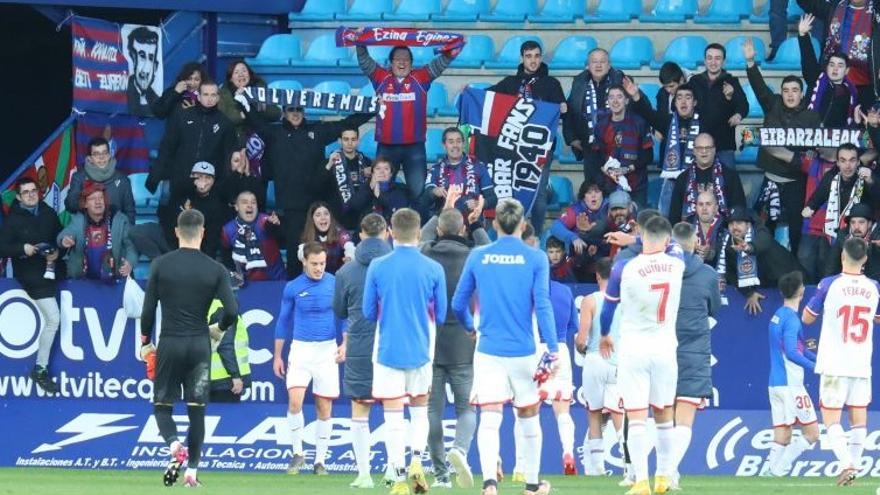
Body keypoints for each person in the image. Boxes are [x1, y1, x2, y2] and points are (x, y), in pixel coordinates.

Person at [452, 197, 557, 495]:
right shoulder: (536, 258)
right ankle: (533, 485)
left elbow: (458, 303)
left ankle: (489, 485)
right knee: (528, 414)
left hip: (488, 350)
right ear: (523, 225)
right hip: (524, 350)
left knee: (490, 416)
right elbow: (543, 304)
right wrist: (552, 347)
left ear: (494, 223)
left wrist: (471, 328)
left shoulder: (478, 256)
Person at [139, 208, 239, 487]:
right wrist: (217, 330)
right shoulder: (215, 268)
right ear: (203, 232)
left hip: (170, 342)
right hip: (199, 345)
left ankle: (173, 446)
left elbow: (148, 310)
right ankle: (192, 472)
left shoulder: (161, 264)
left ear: (176, 232)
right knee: (197, 411)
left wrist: (145, 341)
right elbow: (231, 310)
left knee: (162, 407)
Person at [363, 208, 447, 495]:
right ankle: (416, 462)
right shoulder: (433, 268)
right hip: (422, 348)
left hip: (388, 348)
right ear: (419, 229)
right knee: (420, 410)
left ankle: (398, 477)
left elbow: (367, 311)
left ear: (391, 230)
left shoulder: (378, 266)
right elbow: (443, 313)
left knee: (394, 415)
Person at [599, 215, 684, 495]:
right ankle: (663, 477)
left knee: (636, 416)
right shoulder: (677, 263)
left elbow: (607, 311)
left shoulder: (624, 268)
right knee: (664, 414)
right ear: (667, 240)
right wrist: (637, 239)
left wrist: (604, 334)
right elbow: (672, 245)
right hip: (665, 348)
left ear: (643, 237)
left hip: (634, 348)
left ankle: (641, 482)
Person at [242, 101, 373, 278]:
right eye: (291, 109)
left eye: (298, 109)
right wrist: (243, 102)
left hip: (317, 203)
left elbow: (347, 124)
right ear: (284, 112)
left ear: (304, 111)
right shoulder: (275, 133)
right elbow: (255, 122)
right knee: (294, 252)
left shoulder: (317, 130)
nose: (295, 113)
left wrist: (374, 108)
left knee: (321, 250)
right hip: (291, 206)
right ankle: (294, 291)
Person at [419, 188, 490, 489]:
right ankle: (459, 449)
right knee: (466, 408)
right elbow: (491, 251)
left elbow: (418, 236)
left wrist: (443, 209)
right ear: (462, 229)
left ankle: (441, 476)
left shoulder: (426, 253)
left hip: (432, 343)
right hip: (465, 339)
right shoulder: (475, 255)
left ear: (438, 229)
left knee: (432, 411)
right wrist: (476, 225)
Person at [802, 237, 880, 486]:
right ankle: (854, 467)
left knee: (832, 418)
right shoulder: (874, 287)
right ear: (865, 259)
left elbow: (807, 318)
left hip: (834, 362)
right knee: (859, 418)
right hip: (860, 363)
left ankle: (846, 464)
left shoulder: (829, 284)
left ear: (842, 257)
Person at [744, 37, 822, 255]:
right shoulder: (773, 104)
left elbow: (814, 152)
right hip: (771, 179)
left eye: (794, 90)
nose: (790, 94)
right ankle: (763, 268)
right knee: (763, 226)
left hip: (797, 182)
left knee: (797, 229)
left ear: (802, 94)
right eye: (786, 90)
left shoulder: (812, 116)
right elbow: (759, 88)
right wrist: (751, 63)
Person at [274, 241, 345, 475]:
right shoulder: (293, 287)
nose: (319, 268)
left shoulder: (335, 284)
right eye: (314, 264)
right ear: (304, 261)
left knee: (324, 407)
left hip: (327, 350)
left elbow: (344, 317)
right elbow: (283, 321)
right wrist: (277, 356)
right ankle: (297, 454)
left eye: (322, 263)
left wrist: (345, 343)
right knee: (295, 401)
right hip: (301, 350)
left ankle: (320, 461)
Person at [334, 213, 392, 489]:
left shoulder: (346, 271)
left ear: (360, 235)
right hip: (393, 344)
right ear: (386, 232)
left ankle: (364, 474)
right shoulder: (396, 266)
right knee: (395, 407)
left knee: (359, 409)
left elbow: (339, 310)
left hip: (359, 343)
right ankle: (394, 470)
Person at [357, 41, 459, 200]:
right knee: (382, 191)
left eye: (406, 59)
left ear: (412, 64)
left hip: (414, 148)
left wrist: (455, 45)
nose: (402, 62)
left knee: (418, 192)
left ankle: (417, 224)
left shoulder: (421, 78)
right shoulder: (380, 77)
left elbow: (442, 62)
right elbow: (364, 61)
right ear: (391, 63)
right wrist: (360, 42)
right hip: (386, 147)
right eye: (398, 59)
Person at [489, 40, 566, 235]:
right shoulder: (510, 83)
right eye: (529, 56)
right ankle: (513, 233)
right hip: (513, 147)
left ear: (541, 57)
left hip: (541, 148)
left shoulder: (551, 83)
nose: (533, 60)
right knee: (513, 193)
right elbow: (487, 100)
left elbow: (563, 109)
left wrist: (563, 109)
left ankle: (536, 235)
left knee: (539, 194)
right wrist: (469, 93)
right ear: (522, 58)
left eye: (537, 56)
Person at [666, 223, 722, 490]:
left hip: (661, 347)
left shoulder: (660, 270)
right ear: (695, 242)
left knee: (662, 415)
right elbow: (714, 310)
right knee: (685, 418)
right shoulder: (708, 274)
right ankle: (669, 471)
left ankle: (650, 472)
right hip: (694, 350)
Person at [0, 178, 62, 393]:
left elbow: (59, 239)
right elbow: (2, 248)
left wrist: (58, 251)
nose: (30, 195)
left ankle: (40, 369)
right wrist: (21, 248)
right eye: (25, 192)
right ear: (18, 197)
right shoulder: (12, 219)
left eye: (33, 191)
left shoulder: (48, 213)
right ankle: (40, 369)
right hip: (30, 274)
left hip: (52, 269)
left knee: (54, 318)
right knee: (54, 319)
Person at [763, 271, 820, 477]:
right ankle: (777, 470)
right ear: (801, 291)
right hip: (791, 385)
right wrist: (815, 368)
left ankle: (768, 472)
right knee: (812, 433)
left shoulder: (777, 316)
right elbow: (793, 353)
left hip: (775, 383)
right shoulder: (793, 320)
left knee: (783, 433)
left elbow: (799, 349)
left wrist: (819, 360)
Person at [147, 79, 237, 203]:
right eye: (205, 94)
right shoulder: (182, 117)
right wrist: (156, 176)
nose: (209, 99)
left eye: (213, 95)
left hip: (210, 186)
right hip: (180, 181)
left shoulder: (226, 124)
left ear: (218, 98)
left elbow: (228, 158)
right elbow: (167, 147)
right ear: (198, 97)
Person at [575, 257, 624, 477]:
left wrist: (581, 348)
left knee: (594, 414)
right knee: (619, 414)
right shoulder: (626, 300)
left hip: (594, 359)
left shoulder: (590, 300)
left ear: (597, 276)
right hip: (618, 360)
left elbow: (582, 339)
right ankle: (630, 466)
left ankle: (595, 469)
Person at [801, 143, 878, 282]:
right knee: (827, 265)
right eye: (843, 161)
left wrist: (871, 181)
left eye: (852, 160)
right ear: (837, 163)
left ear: (858, 162)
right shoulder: (831, 177)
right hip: (835, 232)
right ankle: (825, 292)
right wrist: (811, 207)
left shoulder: (865, 177)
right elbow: (820, 193)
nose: (847, 165)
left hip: (862, 233)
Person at [624, 80, 701, 216]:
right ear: (675, 102)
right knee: (666, 221)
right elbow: (648, 114)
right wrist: (636, 96)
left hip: (696, 180)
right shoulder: (668, 121)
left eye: (688, 98)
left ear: (694, 102)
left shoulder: (704, 122)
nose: (683, 102)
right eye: (679, 98)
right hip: (672, 181)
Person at [718, 207, 803, 315]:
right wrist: (749, 293)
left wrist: (749, 247)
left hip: (791, 281)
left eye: (739, 223)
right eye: (731, 224)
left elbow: (764, 241)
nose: (734, 227)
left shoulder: (759, 232)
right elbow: (730, 273)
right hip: (767, 289)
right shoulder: (729, 246)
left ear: (748, 225)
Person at [796, 1, 880, 105]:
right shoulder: (835, 6)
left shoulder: (877, 10)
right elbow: (807, 3)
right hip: (831, 86)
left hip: (866, 87)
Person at [563, 47, 626, 181]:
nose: (598, 65)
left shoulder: (621, 81)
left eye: (602, 61)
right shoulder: (579, 83)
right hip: (590, 149)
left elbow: (636, 108)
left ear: (609, 66)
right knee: (593, 190)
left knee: (616, 190)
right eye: (594, 61)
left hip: (618, 148)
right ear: (588, 65)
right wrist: (572, 138)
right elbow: (570, 111)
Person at [588, 84, 653, 207]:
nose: (615, 101)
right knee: (611, 223)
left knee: (636, 223)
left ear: (627, 100)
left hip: (636, 185)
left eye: (619, 97)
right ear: (608, 101)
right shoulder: (601, 125)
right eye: (611, 97)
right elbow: (596, 156)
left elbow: (648, 156)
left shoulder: (639, 123)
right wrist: (605, 170)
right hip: (609, 184)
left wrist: (627, 169)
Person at [57, 183, 137, 281]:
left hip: (114, 281)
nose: (98, 202)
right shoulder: (78, 220)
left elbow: (131, 246)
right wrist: (64, 240)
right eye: (92, 199)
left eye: (100, 198)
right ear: (85, 204)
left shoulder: (119, 219)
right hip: (82, 281)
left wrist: (130, 262)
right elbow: (64, 234)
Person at [689, 43, 749, 167]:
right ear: (705, 61)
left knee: (728, 184)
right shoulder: (694, 81)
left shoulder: (732, 81)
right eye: (709, 58)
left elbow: (743, 105)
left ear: (723, 61)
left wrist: (738, 114)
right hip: (700, 144)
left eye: (717, 58)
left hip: (724, 145)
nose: (713, 62)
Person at [668, 133, 746, 224]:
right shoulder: (683, 178)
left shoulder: (730, 176)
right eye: (700, 148)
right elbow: (674, 214)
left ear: (714, 150)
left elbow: (739, 210)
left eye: (708, 148)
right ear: (694, 151)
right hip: (690, 232)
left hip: (722, 232)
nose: (704, 151)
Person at [799, 14, 861, 127]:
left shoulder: (851, 92)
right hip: (812, 137)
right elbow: (808, 60)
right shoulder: (816, 80)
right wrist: (803, 36)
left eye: (840, 65)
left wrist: (856, 123)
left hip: (838, 141)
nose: (835, 69)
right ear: (827, 67)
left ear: (847, 70)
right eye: (832, 64)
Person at [422, 127, 497, 217]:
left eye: (458, 141)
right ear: (444, 145)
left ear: (463, 143)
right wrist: (434, 192)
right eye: (451, 142)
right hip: (444, 225)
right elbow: (424, 199)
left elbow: (493, 199)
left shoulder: (478, 166)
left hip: (472, 224)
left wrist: (479, 204)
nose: (455, 145)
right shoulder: (435, 169)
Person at [66, 137, 136, 224]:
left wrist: (126, 234)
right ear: (89, 158)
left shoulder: (123, 180)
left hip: (116, 232)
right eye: (96, 154)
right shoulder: (79, 178)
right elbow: (69, 205)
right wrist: (88, 202)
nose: (101, 157)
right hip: (86, 231)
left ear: (110, 155)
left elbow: (130, 212)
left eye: (104, 153)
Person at [219, 190, 285, 282]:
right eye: (245, 202)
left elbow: (276, 232)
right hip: (245, 282)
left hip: (274, 279)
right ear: (236, 207)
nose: (250, 205)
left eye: (253, 202)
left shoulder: (265, 220)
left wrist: (275, 224)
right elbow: (226, 256)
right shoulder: (228, 230)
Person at [327, 126, 374, 231]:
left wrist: (373, 175)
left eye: (353, 139)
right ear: (339, 141)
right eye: (346, 139)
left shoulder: (367, 162)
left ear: (358, 141)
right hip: (338, 219)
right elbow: (318, 186)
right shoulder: (331, 161)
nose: (349, 143)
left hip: (361, 219)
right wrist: (328, 166)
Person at [207, 299, 250, 403]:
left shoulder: (204, 306)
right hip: (225, 381)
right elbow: (225, 345)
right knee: (228, 417)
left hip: (206, 378)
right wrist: (235, 375)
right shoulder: (225, 309)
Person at [824, 203, 880, 278]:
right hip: (847, 281)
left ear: (870, 224)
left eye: (861, 222)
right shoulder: (842, 236)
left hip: (873, 283)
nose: (856, 227)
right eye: (853, 222)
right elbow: (831, 265)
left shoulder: (877, 236)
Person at [299, 201, 355, 275]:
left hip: (338, 276)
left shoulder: (339, 231)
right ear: (312, 219)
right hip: (316, 276)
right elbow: (301, 253)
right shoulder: (308, 234)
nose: (323, 218)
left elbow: (349, 247)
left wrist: (349, 258)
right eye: (318, 215)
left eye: (326, 214)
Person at [349, 156, 409, 224]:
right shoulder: (365, 186)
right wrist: (370, 188)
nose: (382, 172)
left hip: (388, 230)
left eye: (386, 169)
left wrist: (379, 195)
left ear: (391, 174)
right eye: (378, 168)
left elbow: (398, 212)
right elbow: (354, 205)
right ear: (372, 173)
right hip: (366, 229)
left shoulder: (399, 189)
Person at [126, 26, 160, 116]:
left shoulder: (158, 102)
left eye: (151, 58)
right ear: (133, 59)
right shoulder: (123, 96)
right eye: (142, 56)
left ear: (155, 66)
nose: (146, 69)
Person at [691, 190, 727, 267]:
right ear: (696, 208)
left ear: (716, 208)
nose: (704, 208)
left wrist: (711, 253)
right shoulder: (687, 226)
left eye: (708, 204)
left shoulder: (726, 226)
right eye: (700, 204)